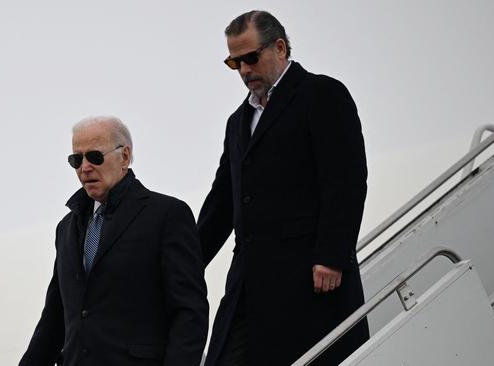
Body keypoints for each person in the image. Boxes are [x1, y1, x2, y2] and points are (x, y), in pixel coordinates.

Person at [198, 10, 369, 366]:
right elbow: (222, 201)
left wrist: (332, 256)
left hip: (310, 280)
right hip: (249, 284)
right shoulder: (237, 121)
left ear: (279, 47)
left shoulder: (322, 94)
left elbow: (346, 179)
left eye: (251, 58)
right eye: (234, 62)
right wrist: (185, 261)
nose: (244, 70)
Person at [19, 116, 209, 366]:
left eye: (95, 157)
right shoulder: (66, 229)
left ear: (125, 156)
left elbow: (189, 312)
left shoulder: (166, 215)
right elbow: (54, 319)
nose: (85, 167)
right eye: (77, 160)